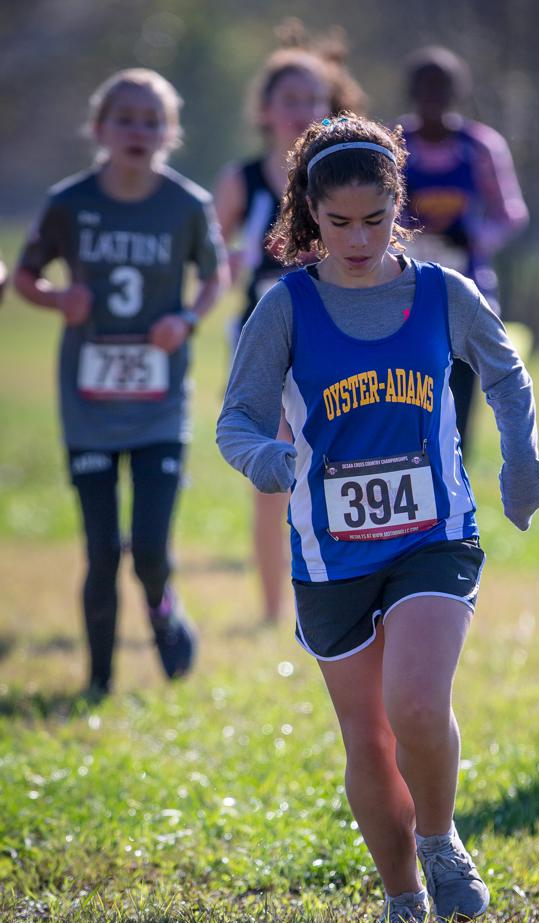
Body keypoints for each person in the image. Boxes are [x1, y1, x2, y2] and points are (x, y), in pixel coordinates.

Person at [217, 114, 539, 923]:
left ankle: (440, 842)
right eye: (337, 224)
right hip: (330, 554)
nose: (357, 239)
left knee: (415, 704)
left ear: (398, 204)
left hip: (434, 533)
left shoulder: (442, 292)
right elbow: (238, 421)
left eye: (374, 219)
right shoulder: (286, 306)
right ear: (308, 214)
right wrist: (267, 460)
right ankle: (402, 897)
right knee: (367, 740)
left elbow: (506, 374)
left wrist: (520, 458)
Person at [14, 68, 227, 700]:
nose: (140, 130)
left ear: (170, 132)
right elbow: (26, 276)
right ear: (100, 128)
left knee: (151, 551)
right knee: (102, 550)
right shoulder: (70, 202)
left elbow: (215, 278)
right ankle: (99, 684)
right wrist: (59, 300)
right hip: (88, 405)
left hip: (160, 405)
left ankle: (163, 609)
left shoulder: (187, 205)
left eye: (152, 119)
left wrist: (185, 319)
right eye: (126, 118)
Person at [213, 23, 365, 624]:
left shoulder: (345, 177)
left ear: (332, 110)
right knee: (273, 469)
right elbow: (206, 258)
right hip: (264, 345)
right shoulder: (242, 181)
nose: (303, 110)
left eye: (315, 100)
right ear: (267, 110)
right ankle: (276, 611)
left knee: (343, 464)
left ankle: (345, 590)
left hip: (338, 342)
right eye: (291, 99)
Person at [397, 46, 529, 453]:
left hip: (466, 296)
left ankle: (455, 483)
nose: (433, 97)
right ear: (412, 92)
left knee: (457, 404)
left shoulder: (481, 146)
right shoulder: (394, 142)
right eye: (425, 87)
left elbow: (511, 213)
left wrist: (474, 237)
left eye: (443, 87)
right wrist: (408, 234)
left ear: (458, 92)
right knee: (405, 399)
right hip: (403, 295)